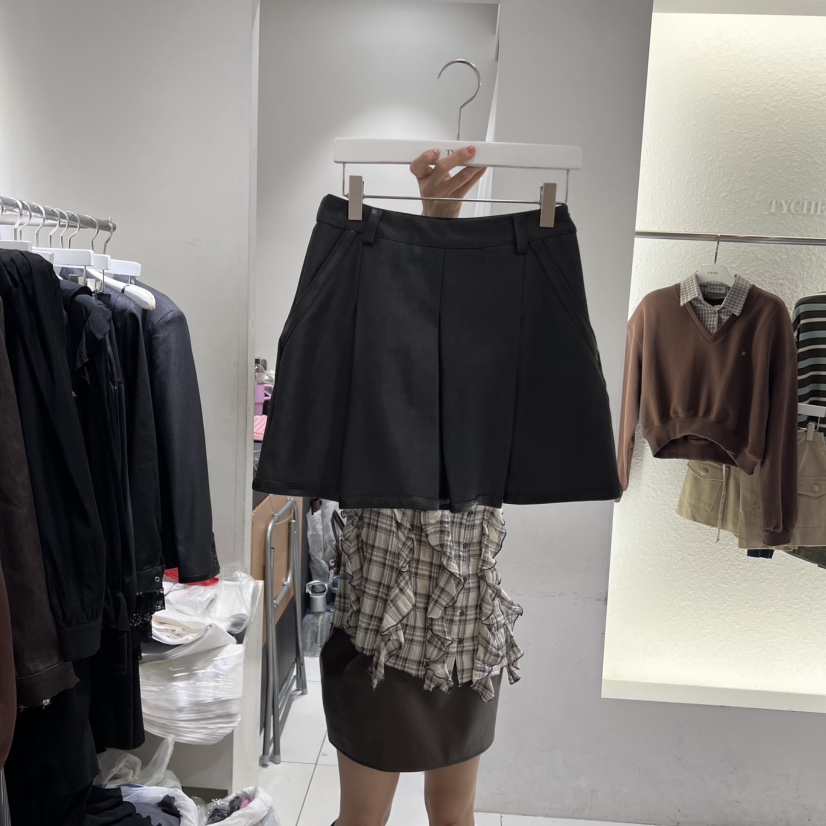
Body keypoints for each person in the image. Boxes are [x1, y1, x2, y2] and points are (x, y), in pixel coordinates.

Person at [327, 147, 518, 826]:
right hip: (379, 629)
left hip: (464, 635)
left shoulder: (484, 389)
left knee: (453, 816)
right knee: (364, 819)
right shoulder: (373, 382)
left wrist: (443, 220)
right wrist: (435, 219)